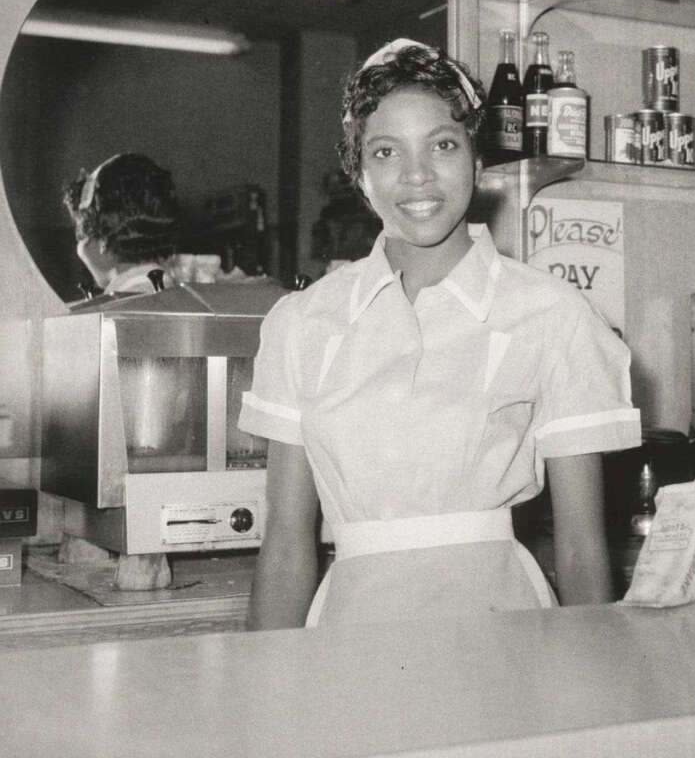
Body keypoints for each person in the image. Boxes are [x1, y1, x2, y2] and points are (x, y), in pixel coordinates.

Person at [240, 40, 640, 630]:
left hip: (504, 630)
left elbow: (582, 549)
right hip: (352, 632)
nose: (417, 175)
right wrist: (262, 700)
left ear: (478, 165)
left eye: (443, 145)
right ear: (360, 177)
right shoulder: (301, 325)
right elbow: (285, 545)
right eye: (385, 152)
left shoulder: (553, 315)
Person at [63, 152, 180, 296]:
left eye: (81, 235)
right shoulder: (180, 298)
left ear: (101, 242)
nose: (80, 247)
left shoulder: (108, 311)